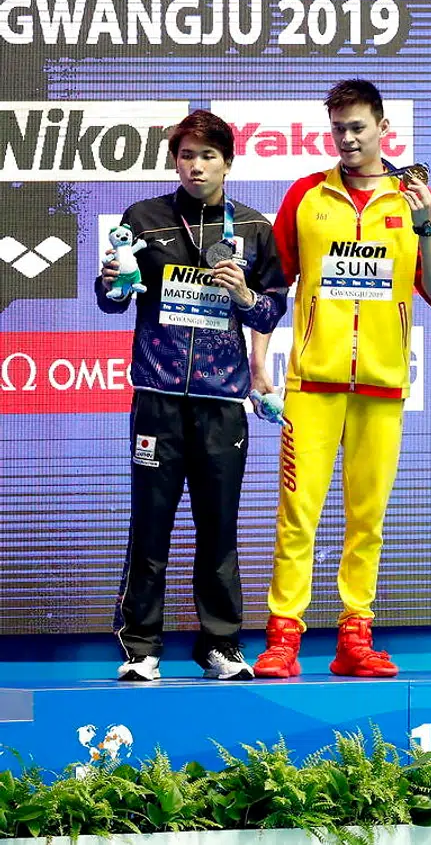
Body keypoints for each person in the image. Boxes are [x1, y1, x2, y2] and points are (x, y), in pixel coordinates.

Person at [251, 79, 431, 679]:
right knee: (297, 515)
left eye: (358, 126)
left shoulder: (414, 199)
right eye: (338, 126)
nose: (347, 137)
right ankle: (284, 638)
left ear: (382, 126)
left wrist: (424, 227)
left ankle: (354, 638)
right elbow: (272, 286)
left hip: (382, 386)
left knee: (368, 519)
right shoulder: (306, 197)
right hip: (311, 386)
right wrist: (260, 364)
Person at [97, 110, 288, 682]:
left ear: (229, 161)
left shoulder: (253, 227)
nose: (196, 165)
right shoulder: (143, 219)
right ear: (175, 160)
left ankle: (222, 644)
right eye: (186, 155)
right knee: (149, 526)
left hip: (222, 401)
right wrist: (111, 280)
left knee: (219, 526)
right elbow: (112, 301)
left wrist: (246, 294)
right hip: (156, 396)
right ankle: (141, 648)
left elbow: (273, 307)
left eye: (207, 155)